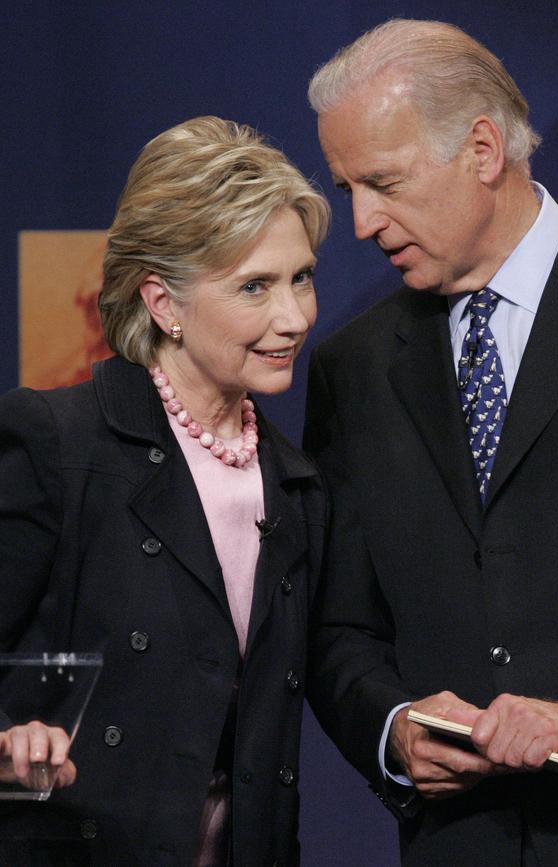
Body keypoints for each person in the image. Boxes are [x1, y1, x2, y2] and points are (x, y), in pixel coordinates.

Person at [303, 19, 558, 866]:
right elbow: (337, 623)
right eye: (347, 187)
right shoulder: (352, 367)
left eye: (382, 182)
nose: (360, 222)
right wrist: (392, 728)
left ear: (484, 149)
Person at [0, 115, 329, 866]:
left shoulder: (295, 482)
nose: (294, 317)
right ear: (163, 303)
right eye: (256, 286)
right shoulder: (59, 443)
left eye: (301, 277)